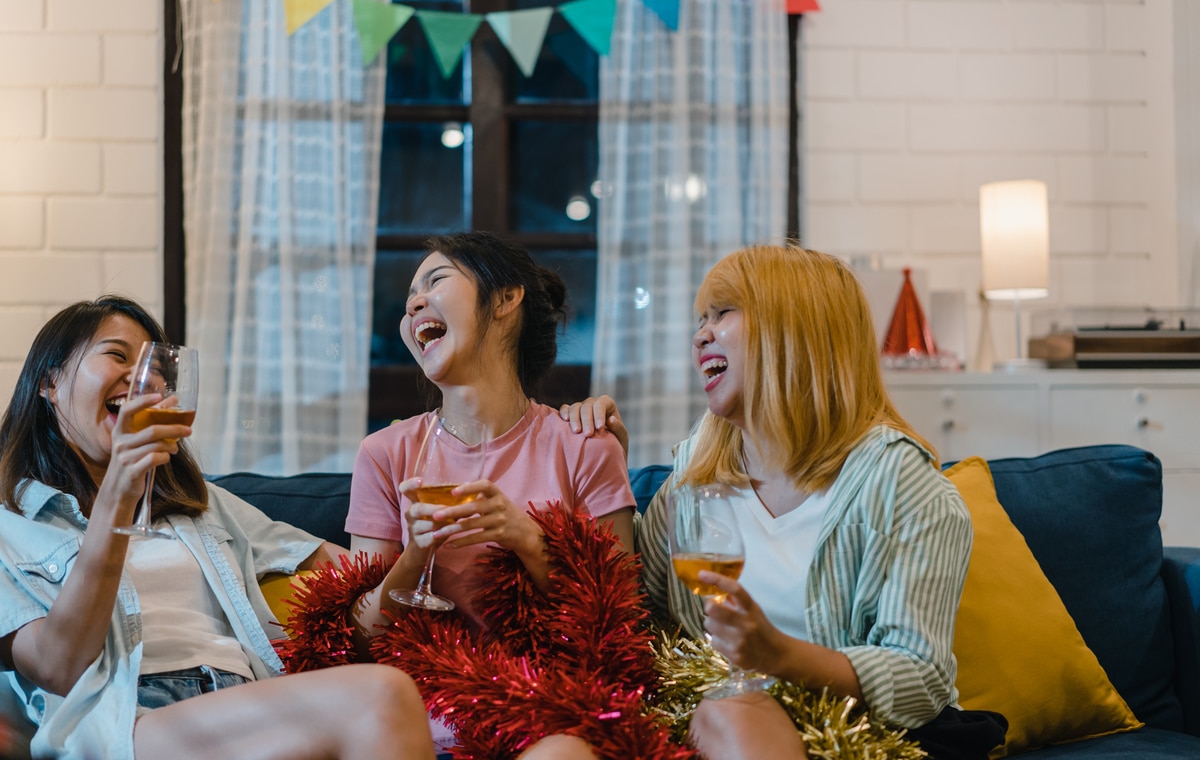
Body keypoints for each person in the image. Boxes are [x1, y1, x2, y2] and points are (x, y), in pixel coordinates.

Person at [562, 245, 1006, 760]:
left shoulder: (903, 486)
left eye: (722, 313)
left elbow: (920, 678)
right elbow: (628, 619)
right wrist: (602, 470)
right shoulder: (694, 477)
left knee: (729, 711)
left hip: (866, 736)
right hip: (713, 720)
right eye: (700, 320)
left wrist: (779, 655)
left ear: (795, 333)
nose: (700, 334)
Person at [0, 296, 434, 760]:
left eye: (155, 367)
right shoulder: (10, 524)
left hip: (240, 697)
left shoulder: (203, 506)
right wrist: (118, 495)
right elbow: (58, 665)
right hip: (128, 718)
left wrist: (420, 548)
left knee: (389, 697)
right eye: (117, 355)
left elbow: (354, 574)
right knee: (381, 696)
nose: (143, 377)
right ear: (49, 380)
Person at [344, 232, 637, 758]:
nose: (413, 303)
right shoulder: (384, 454)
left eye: (436, 281)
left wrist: (527, 538)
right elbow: (360, 640)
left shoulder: (585, 447)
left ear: (506, 299)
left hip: (551, 719)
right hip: (416, 726)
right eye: (411, 294)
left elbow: (621, 630)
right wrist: (415, 555)